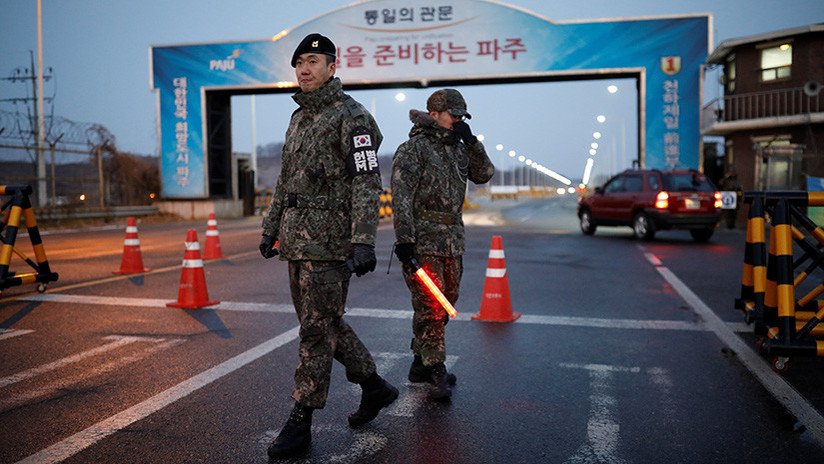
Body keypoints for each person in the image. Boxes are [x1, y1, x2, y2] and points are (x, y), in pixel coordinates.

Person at [259, 33, 398, 459]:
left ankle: (301, 420)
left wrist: (362, 241)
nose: (304, 69)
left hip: (331, 245)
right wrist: (271, 227)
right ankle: (374, 387)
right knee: (327, 324)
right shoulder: (299, 118)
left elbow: (365, 182)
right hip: (298, 240)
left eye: (314, 61)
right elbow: (286, 179)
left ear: (333, 67)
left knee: (315, 332)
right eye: (299, 62)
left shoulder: (352, 117)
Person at [391, 89, 495, 400]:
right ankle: (436, 369)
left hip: (452, 240)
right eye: (455, 116)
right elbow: (401, 198)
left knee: (447, 301)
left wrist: (472, 141)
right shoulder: (413, 149)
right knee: (431, 306)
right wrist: (405, 240)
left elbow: (484, 174)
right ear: (435, 114)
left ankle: (420, 361)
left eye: (464, 116)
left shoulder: (460, 149)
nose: (459, 121)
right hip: (423, 241)